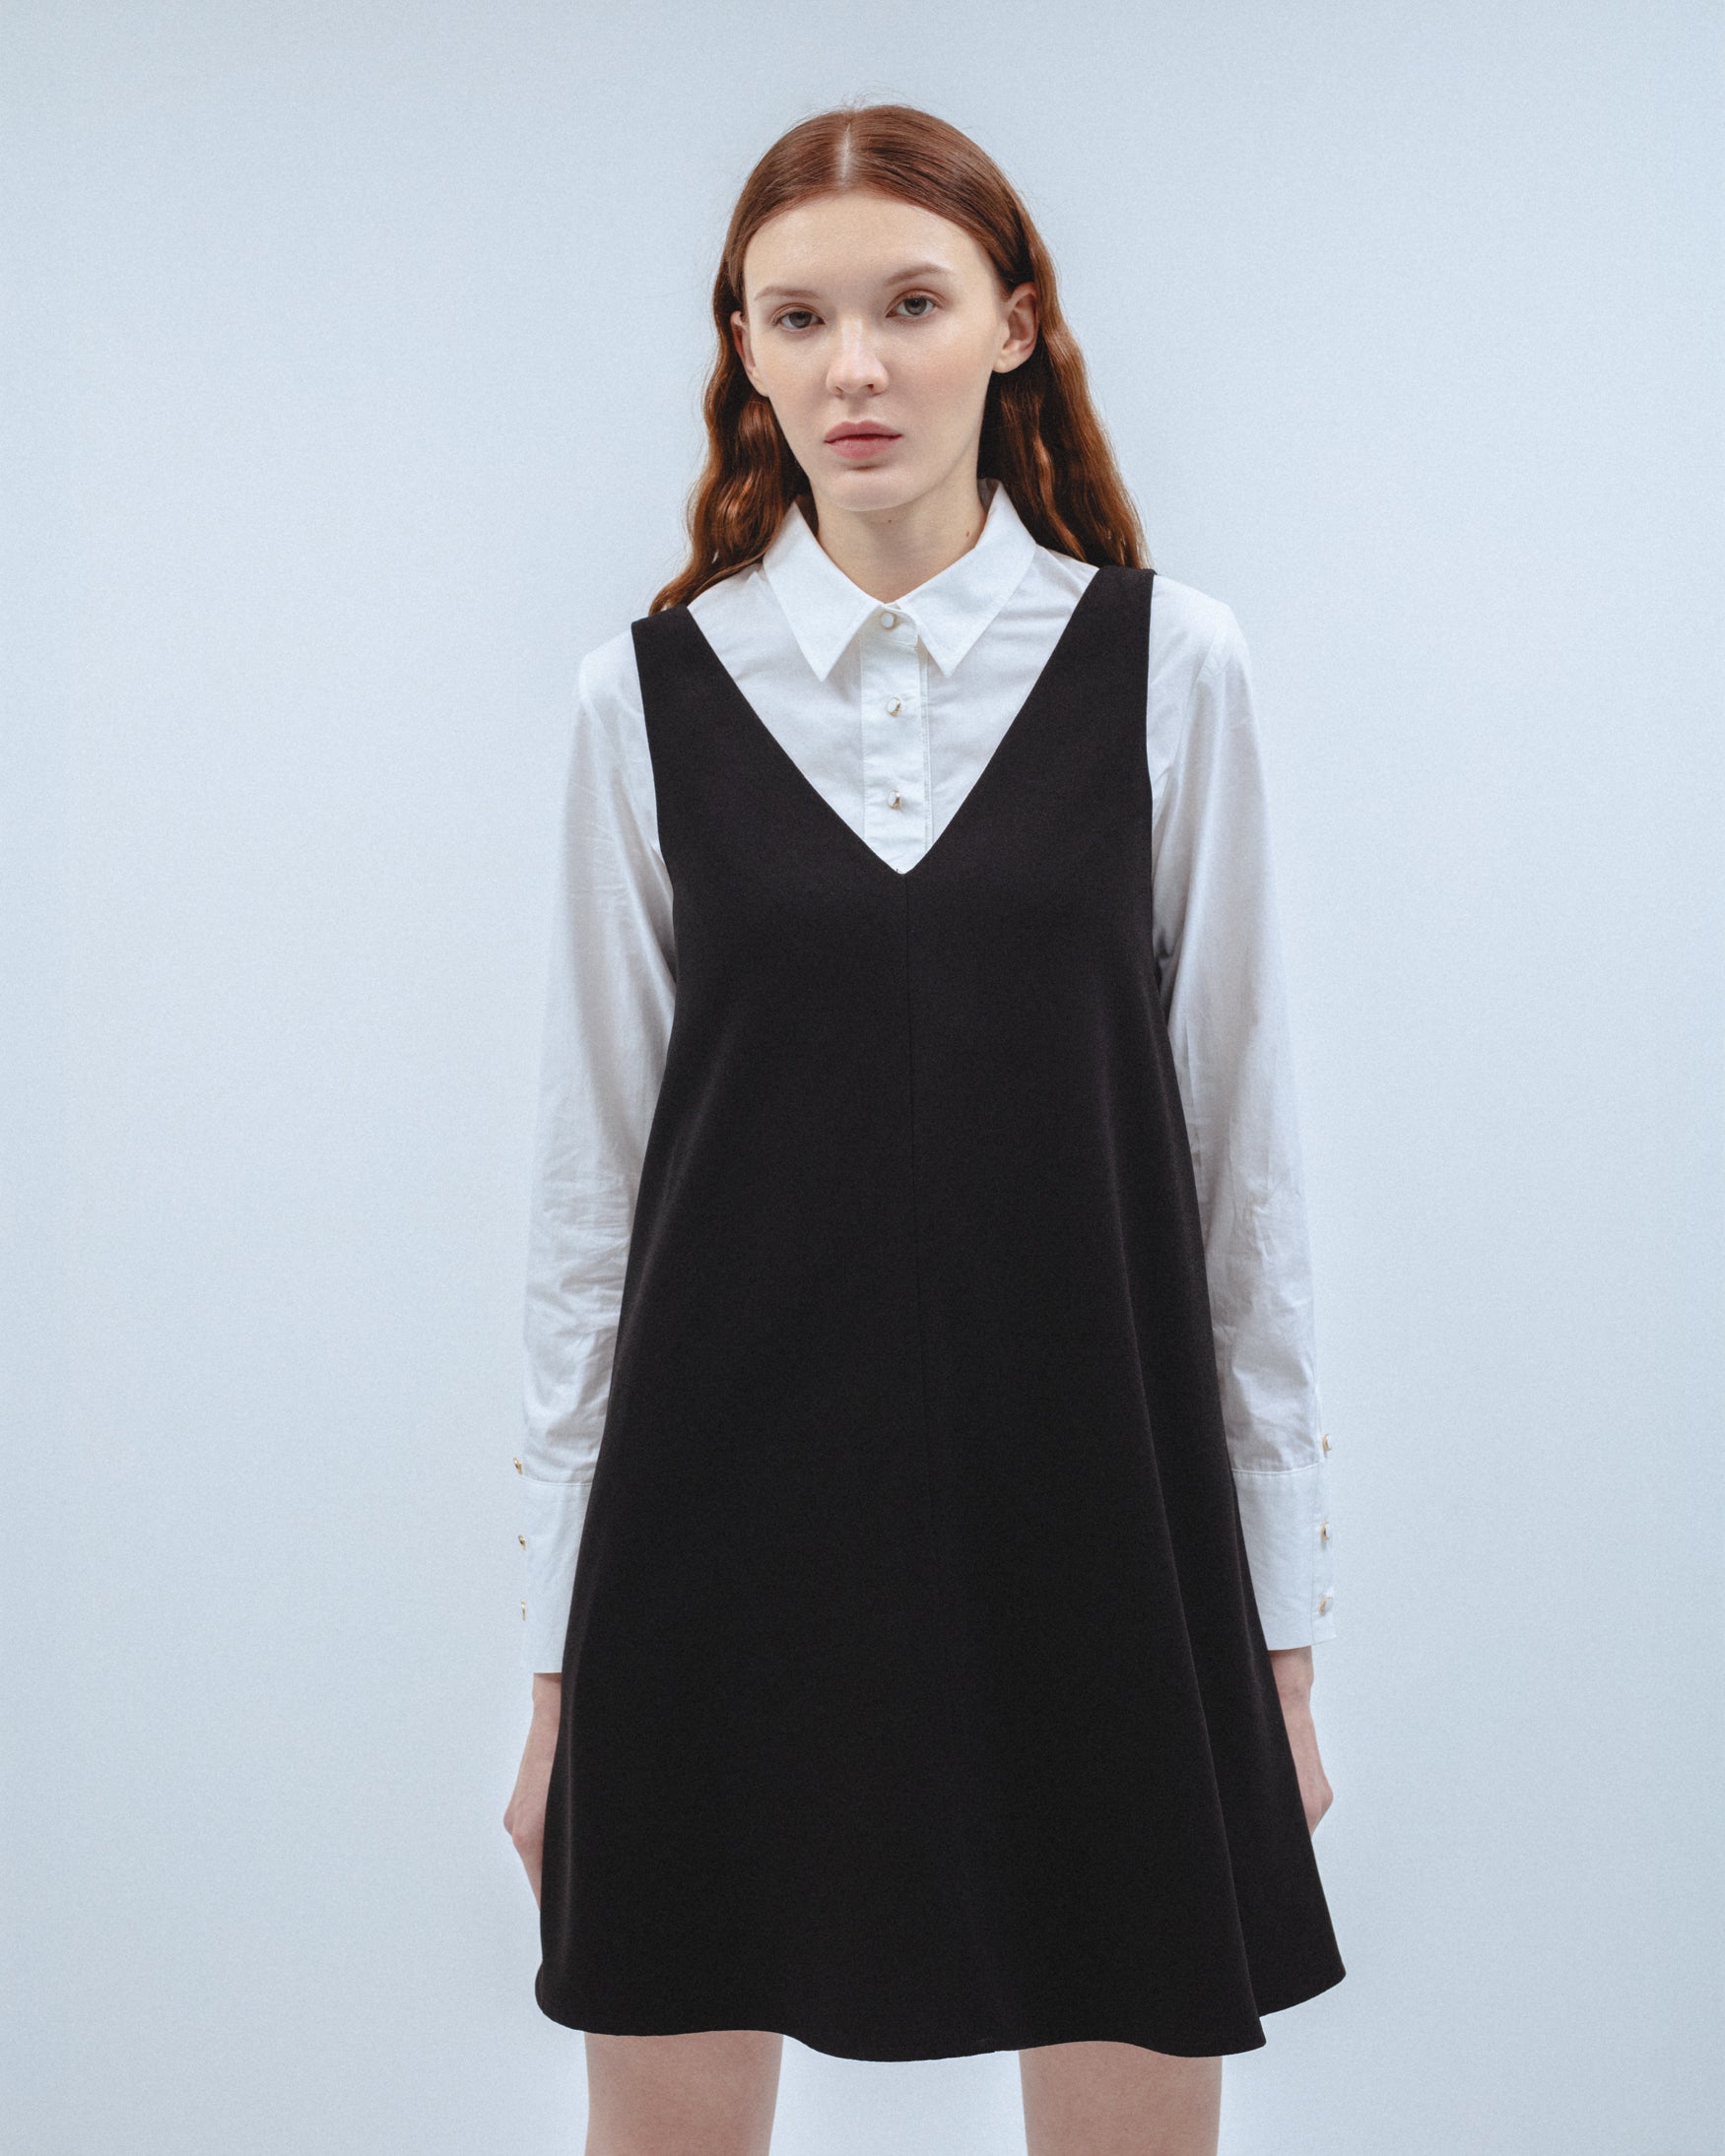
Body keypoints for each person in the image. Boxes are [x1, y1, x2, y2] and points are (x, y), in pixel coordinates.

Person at [503, 99, 1345, 2156]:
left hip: (1103, 1513)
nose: (854, 367)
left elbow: (1241, 1172)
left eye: (910, 303)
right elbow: (590, 1209)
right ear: (745, 347)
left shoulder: (1169, 670)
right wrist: (552, 1663)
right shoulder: (643, 699)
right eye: (798, 317)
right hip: (714, 1539)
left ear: (1016, 325)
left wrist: (1279, 1626)